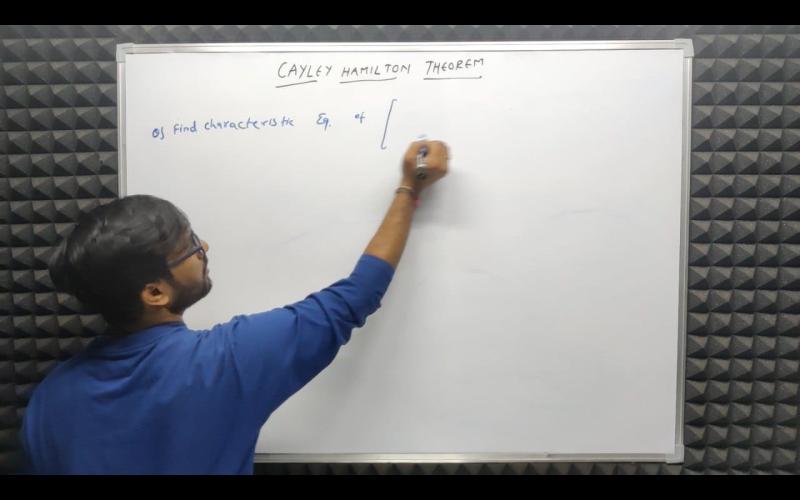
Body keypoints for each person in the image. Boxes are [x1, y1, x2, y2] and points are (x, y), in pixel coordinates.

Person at [19, 140, 449, 474]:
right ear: (154, 293)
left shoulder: (50, 398)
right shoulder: (226, 362)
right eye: (189, 247)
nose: (204, 247)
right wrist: (409, 188)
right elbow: (356, 294)